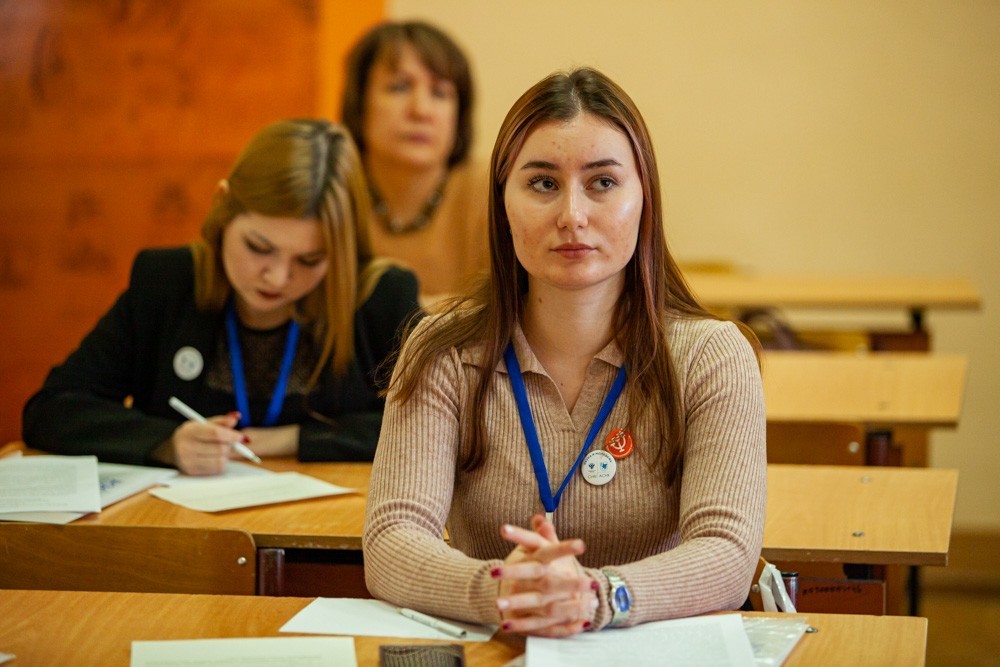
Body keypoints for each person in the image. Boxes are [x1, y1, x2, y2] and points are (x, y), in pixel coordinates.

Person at [363, 68, 766, 637]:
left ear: (643, 198)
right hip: (500, 648)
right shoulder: (442, 350)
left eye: (602, 183)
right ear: (502, 202)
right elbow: (391, 540)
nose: (572, 215)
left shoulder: (711, 356)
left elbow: (727, 554)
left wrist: (598, 597)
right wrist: (506, 591)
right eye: (543, 184)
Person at [22, 120, 420, 475]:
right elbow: (52, 409)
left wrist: (288, 439)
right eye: (259, 247)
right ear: (223, 208)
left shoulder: (380, 296)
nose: (277, 276)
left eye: (310, 259)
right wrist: (166, 442)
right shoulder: (167, 282)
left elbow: (431, 426)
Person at [341, 20, 487, 299]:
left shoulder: (491, 191)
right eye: (399, 87)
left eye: (440, 93)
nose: (421, 110)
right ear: (359, 103)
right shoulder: (330, 190)